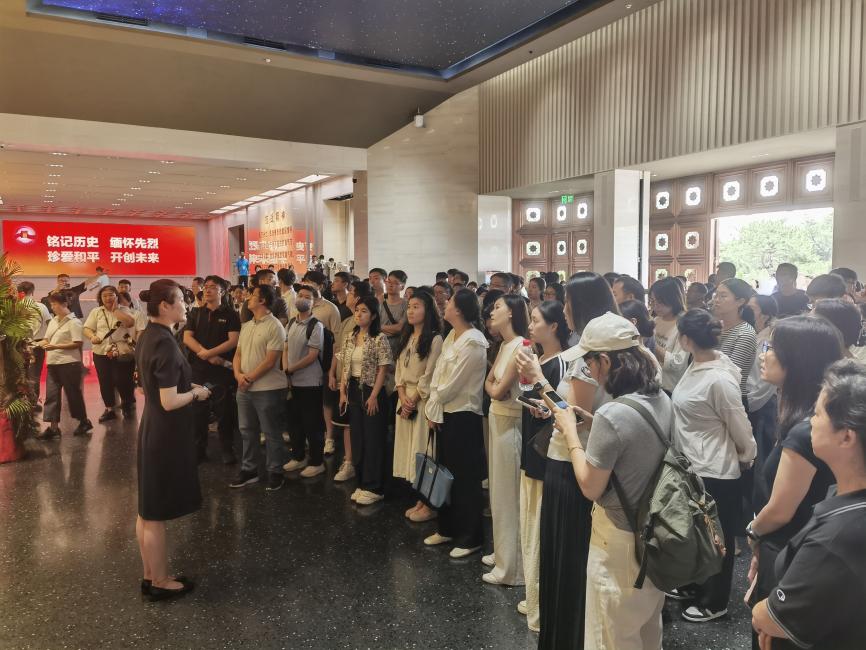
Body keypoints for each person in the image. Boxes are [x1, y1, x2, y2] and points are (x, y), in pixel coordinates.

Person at [550, 312, 672, 650]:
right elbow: (634, 445)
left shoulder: (612, 414)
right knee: (647, 630)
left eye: (589, 363)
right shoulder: (659, 398)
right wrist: (593, 423)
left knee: (610, 636)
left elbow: (590, 486)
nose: (588, 371)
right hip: (653, 533)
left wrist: (571, 433)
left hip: (618, 541)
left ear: (605, 361)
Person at [515, 271, 619, 650]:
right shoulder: (592, 349)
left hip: (573, 462)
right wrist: (548, 406)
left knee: (567, 557)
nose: (565, 311)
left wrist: (537, 379)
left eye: (569, 304)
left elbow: (572, 413)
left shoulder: (585, 358)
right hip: (571, 456)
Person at [751, 359, 866, 649]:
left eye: (817, 414)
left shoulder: (837, 539)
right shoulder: (845, 498)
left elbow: (769, 618)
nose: (810, 422)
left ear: (846, 437)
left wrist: (766, 614)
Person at [746, 316, 845, 648]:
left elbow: (780, 510)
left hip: (792, 551)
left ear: (798, 359)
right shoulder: (809, 418)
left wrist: (753, 533)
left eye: (772, 347)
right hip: (798, 547)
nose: (763, 354)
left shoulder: (807, 430)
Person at [670, 309, 757, 622]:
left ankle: (715, 600)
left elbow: (740, 424)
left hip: (715, 469)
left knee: (717, 538)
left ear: (686, 339)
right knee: (696, 532)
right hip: (693, 464)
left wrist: (746, 456)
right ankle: (694, 583)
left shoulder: (719, 378)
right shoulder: (697, 365)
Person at [134, 279, 210, 601]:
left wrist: (187, 389)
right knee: (155, 513)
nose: (186, 305)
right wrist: (196, 394)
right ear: (164, 305)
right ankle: (161, 582)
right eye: (180, 300)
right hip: (164, 433)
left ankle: (150, 575)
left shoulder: (148, 335)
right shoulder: (164, 343)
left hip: (152, 428)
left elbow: (147, 388)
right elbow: (169, 401)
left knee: (147, 510)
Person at [517, 300, 570, 632]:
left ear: (553, 326)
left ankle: (540, 601)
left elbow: (562, 408)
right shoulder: (539, 359)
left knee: (538, 529)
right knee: (529, 526)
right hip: (532, 449)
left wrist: (546, 409)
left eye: (536, 321)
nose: (531, 326)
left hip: (545, 454)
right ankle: (533, 594)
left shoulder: (561, 363)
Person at [424, 289, 489, 558]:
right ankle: (447, 528)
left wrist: (434, 402)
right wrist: (433, 408)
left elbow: (453, 385)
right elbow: (438, 374)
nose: (445, 305)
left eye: (449, 302)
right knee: (445, 473)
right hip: (444, 413)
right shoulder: (452, 335)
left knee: (465, 479)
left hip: (463, 416)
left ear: (459, 310)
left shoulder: (474, 342)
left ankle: (471, 537)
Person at [483, 294, 530, 586]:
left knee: (509, 495)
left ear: (512, 313)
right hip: (497, 419)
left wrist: (494, 388)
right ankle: (502, 552)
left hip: (511, 423)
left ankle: (512, 568)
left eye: (498, 307)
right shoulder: (504, 345)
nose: (492, 311)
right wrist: (494, 388)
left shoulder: (522, 345)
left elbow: (498, 390)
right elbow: (489, 383)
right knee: (498, 492)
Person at [229, 284, 289, 492]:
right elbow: (238, 354)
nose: (248, 298)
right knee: (247, 431)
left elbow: (270, 361)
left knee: (271, 432)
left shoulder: (275, 326)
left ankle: (275, 471)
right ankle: (250, 470)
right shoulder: (247, 325)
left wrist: (249, 378)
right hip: (244, 387)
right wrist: (238, 375)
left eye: (253, 295)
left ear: (262, 300)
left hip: (268, 388)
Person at [394, 290, 443, 522]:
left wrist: (412, 399)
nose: (411, 311)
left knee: (423, 450)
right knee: (409, 449)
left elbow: (430, 373)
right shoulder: (407, 336)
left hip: (422, 401)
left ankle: (428, 503)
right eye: (409, 307)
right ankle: (420, 499)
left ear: (428, 310)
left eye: (416, 307)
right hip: (404, 398)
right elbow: (399, 369)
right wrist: (402, 393)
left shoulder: (434, 339)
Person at [339, 295, 393, 505]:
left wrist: (373, 395)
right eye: (357, 310)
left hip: (372, 390)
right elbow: (345, 365)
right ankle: (362, 483)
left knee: (373, 440)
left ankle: (375, 487)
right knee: (358, 438)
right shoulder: (350, 337)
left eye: (364, 311)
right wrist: (342, 392)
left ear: (373, 316)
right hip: (353, 389)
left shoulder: (379, 338)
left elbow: (383, 369)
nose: (359, 314)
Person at [182, 275, 241, 464]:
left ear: (222, 291)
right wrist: (205, 354)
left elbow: (233, 340)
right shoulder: (196, 313)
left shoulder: (231, 314)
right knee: (198, 412)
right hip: (199, 369)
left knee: (224, 412)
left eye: (213, 287)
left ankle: (227, 449)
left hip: (221, 370)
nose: (207, 290)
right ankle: (199, 450)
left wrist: (211, 354)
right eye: (206, 287)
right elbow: (187, 338)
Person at [328, 279, 372, 483]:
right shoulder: (346, 321)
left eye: (351, 292)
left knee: (357, 425)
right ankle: (349, 461)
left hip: (360, 382)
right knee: (345, 423)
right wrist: (332, 373)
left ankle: (356, 463)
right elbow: (338, 350)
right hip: (342, 379)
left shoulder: (366, 325)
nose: (348, 295)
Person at [282, 285, 327, 478]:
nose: (302, 298)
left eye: (307, 297)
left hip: (310, 383)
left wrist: (291, 369)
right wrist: (286, 370)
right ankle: (298, 456)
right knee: (294, 422)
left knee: (312, 424)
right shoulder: (291, 322)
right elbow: (285, 348)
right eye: (300, 295)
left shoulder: (316, 326)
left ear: (314, 302)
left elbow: (312, 355)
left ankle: (317, 462)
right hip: (292, 382)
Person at [36, 292, 92, 438]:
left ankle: (84, 421)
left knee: (73, 395)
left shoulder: (74, 322)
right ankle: (54, 428)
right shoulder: (53, 321)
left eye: (54, 304)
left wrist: (55, 347)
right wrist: (34, 344)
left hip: (69, 363)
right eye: (51, 304)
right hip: (53, 363)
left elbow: (77, 343)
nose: (52, 307)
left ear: (65, 304)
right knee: (51, 395)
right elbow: (47, 339)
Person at [83, 285, 138, 422]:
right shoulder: (96, 312)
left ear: (116, 296)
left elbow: (130, 323)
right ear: (100, 298)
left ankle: (127, 404)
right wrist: (92, 337)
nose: (108, 298)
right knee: (105, 381)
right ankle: (109, 409)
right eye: (104, 295)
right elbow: (87, 328)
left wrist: (115, 311)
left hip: (121, 351)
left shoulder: (125, 310)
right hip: (101, 351)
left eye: (111, 295)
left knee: (123, 380)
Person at [747, 295, 780, 467]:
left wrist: (749, 402)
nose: (746, 311)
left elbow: (767, 381)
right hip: (749, 399)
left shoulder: (770, 340)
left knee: (760, 457)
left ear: (765, 315)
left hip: (761, 404)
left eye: (752, 308)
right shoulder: (751, 333)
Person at [712, 278, 758, 401]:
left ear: (740, 301)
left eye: (723, 296)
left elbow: (730, 375)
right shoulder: (713, 326)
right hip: (710, 395)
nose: (716, 300)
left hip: (730, 399)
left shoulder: (745, 333)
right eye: (716, 295)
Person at [650, 276, 689, 392]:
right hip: (652, 382)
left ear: (673, 299)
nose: (655, 306)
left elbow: (677, 363)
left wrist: (651, 343)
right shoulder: (656, 321)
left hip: (670, 387)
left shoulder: (684, 325)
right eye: (652, 301)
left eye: (660, 302)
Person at [19, 281, 51, 410]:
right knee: (34, 375)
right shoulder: (41, 306)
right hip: (37, 344)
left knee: (20, 374)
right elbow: (50, 324)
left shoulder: (15, 307)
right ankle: (33, 403)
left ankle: (20, 402)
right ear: (32, 291)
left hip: (19, 345)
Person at [380, 270, 408, 358]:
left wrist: (379, 327)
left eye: (395, 283)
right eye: (389, 281)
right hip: (379, 347)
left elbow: (399, 328)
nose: (390, 285)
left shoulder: (407, 305)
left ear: (402, 287)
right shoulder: (379, 303)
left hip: (397, 348)